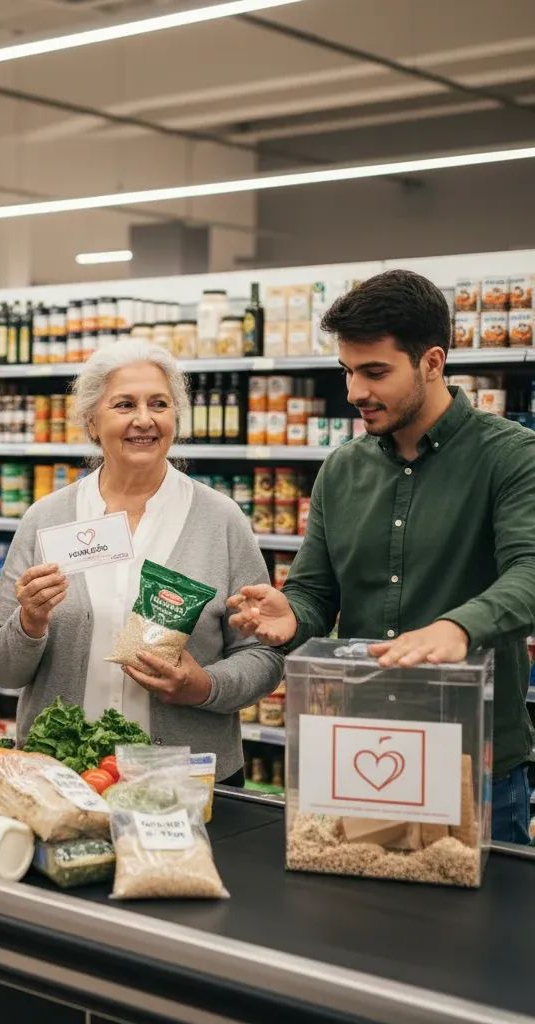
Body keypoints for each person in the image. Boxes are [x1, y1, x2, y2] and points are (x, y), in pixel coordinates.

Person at [227, 269, 535, 844]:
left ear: (433, 363)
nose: (354, 392)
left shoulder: (511, 457)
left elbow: (530, 570)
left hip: (476, 757)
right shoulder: (342, 469)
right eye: (347, 371)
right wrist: (293, 614)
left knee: (485, 933)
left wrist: (460, 627)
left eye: (374, 372)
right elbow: (317, 593)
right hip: (359, 749)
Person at [0, 340, 284, 782]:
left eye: (159, 404)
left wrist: (204, 687)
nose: (144, 419)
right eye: (124, 404)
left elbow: (263, 653)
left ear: (175, 418)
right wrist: (29, 623)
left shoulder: (221, 520)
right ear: (91, 421)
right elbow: (1, 669)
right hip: (63, 777)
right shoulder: (46, 519)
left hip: (187, 780)